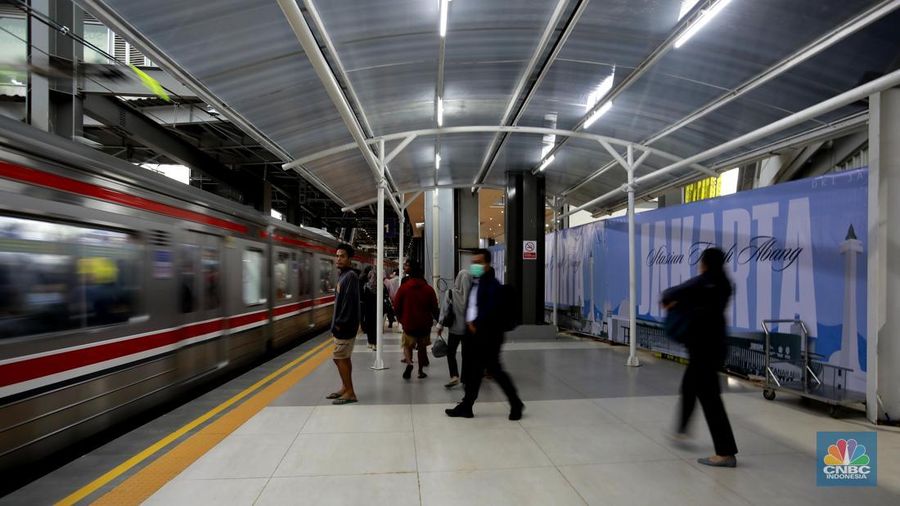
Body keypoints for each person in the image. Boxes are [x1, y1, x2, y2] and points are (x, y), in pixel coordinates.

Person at [661, 247, 738, 468]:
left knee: (710, 399)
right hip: (714, 348)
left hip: (703, 349)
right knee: (689, 387)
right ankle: (682, 431)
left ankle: (725, 452)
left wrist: (673, 304)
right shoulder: (724, 284)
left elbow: (669, 294)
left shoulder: (704, 282)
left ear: (704, 263)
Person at [446, 249, 524, 420]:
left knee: (495, 370)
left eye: (479, 262)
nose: (475, 265)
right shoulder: (477, 282)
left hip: (488, 336)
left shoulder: (492, 285)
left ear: (487, 264)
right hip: (475, 335)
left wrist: (475, 324)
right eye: (473, 262)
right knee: (474, 373)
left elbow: (490, 309)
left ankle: (516, 403)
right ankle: (467, 406)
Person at [327, 244, 360, 405]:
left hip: (345, 327)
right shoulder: (343, 276)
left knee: (339, 357)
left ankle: (350, 392)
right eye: (337, 255)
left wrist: (339, 324)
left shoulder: (350, 277)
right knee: (342, 358)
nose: (338, 258)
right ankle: (345, 387)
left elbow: (348, 303)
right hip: (341, 326)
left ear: (349, 259)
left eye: (342, 256)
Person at [394, 260, 438, 380]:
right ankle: (420, 371)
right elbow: (434, 307)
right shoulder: (429, 289)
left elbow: (396, 305)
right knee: (422, 347)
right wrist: (439, 322)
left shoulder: (404, 288)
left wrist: (400, 319)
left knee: (407, 345)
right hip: (424, 324)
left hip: (409, 323)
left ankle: (409, 363)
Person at [436, 269, 472, 388]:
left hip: (454, 330)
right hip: (468, 331)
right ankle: (466, 379)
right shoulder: (473, 295)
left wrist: (440, 326)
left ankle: (454, 376)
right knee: (467, 355)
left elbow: (444, 311)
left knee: (451, 353)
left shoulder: (450, 293)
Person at [361, 266, 378, 350]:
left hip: (368, 310)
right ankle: (375, 343)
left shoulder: (366, 287)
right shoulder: (380, 286)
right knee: (376, 326)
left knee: (369, 326)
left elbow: (362, 298)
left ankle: (370, 342)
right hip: (377, 311)